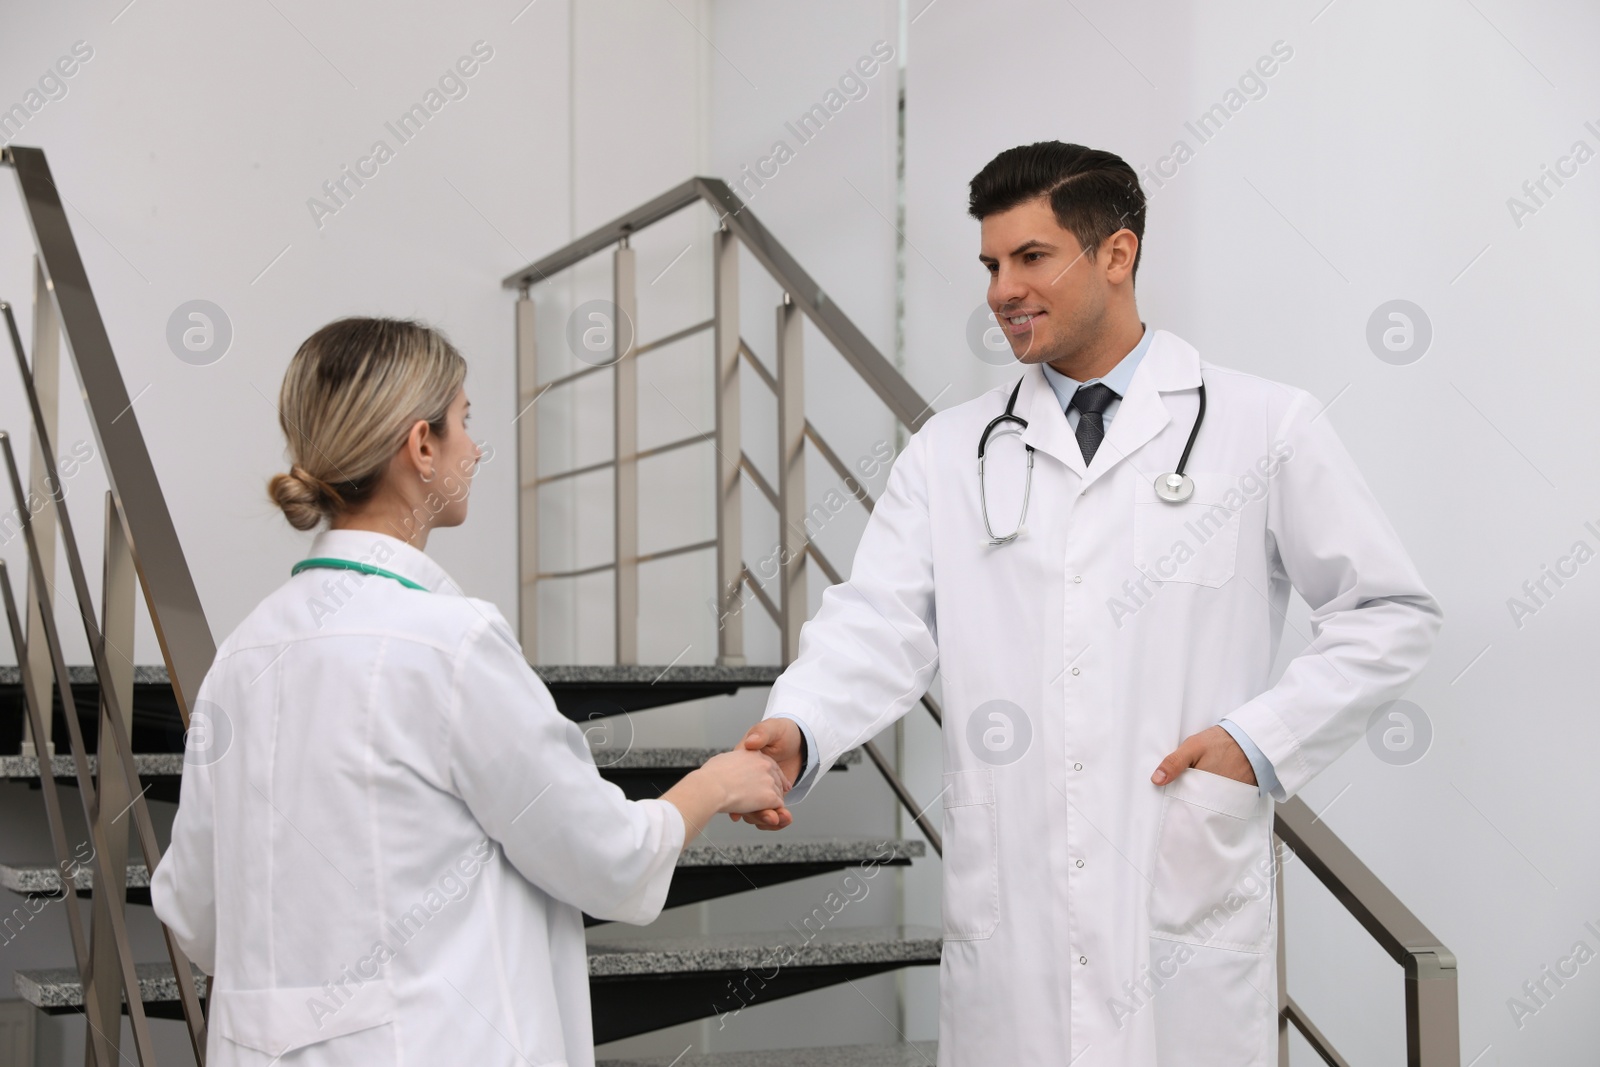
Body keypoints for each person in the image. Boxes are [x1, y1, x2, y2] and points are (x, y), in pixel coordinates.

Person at [733, 143, 1441, 1066]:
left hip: (1178, 876)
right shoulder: (952, 451)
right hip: (1015, 917)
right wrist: (802, 721)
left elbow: (1388, 609)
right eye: (992, 264)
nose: (1001, 289)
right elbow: (878, 621)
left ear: (1117, 254)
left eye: (1031, 257)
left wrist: (1255, 744)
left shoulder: (1262, 427)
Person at [151, 317, 788, 1067]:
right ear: (421, 446)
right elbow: (603, 854)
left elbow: (194, 909)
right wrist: (716, 783)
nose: (476, 447)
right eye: (464, 422)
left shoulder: (242, 654)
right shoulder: (448, 646)